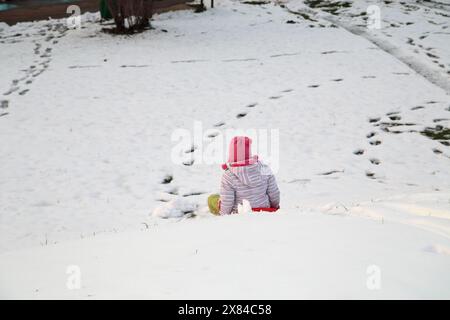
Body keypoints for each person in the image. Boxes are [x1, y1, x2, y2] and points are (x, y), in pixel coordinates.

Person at [208, 136, 280, 215]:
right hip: (264, 210)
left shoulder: (228, 175)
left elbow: (227, 201)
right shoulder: (264, 168)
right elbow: (274, 193)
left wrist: (224, 215)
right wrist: (274, 208)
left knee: (212, 199)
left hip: (240, 213)